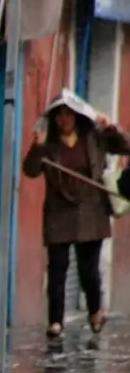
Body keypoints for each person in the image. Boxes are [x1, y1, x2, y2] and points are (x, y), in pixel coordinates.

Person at [23, 104, 130, 338]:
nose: (64, 119)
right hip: (58, 213)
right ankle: (55, 321)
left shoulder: (95, 136)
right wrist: (37, 145)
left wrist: (111, 128)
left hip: (91, 212)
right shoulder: (48, 142)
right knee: (57, 269)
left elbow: (125, 147)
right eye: (60, 115)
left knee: (88, 270)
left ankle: (95, 310)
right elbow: (30, 170)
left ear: (77, 117)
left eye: (69, 114)